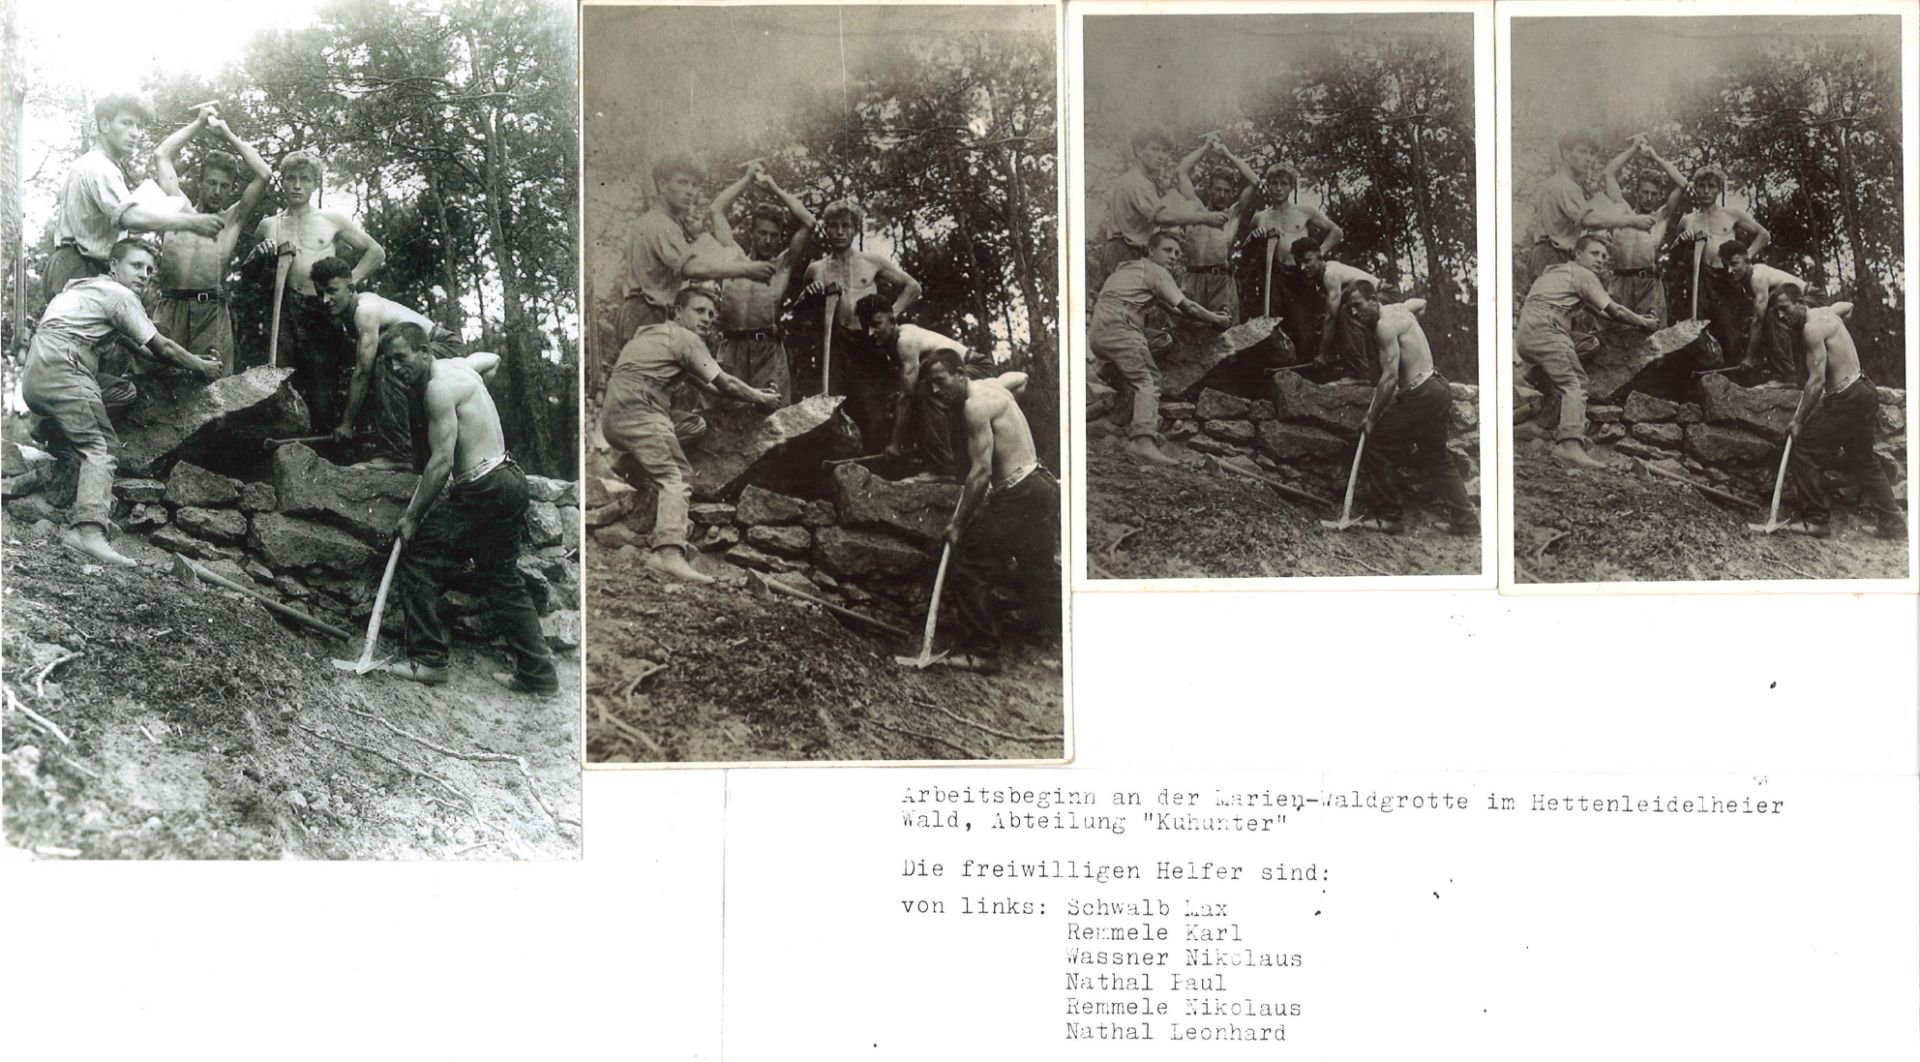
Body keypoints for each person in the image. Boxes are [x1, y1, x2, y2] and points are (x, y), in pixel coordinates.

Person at [16, 239, 221, 567]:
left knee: (123, 392)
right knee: (102, 447)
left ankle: (59, 434)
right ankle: (87, 532)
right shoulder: (120, 296)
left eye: (150, 270)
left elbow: (145, 348)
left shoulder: (85, 288)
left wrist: (192, 360)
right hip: (66, 365)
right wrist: (203, 367)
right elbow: (163, 347)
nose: (145, 275)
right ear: (113, 266)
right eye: (136, 266)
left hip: (39, 374)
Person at [378, 333, 557, 694]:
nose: (397, 369)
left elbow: (441, 462)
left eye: (402, 358)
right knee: (501, 577)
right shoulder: (459, 368)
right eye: (390, 363)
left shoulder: (436, 390)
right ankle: (539, 676)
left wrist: (412, 518)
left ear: (425, 351)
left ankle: (428, 660)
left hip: (482, 488)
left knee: (418, 554)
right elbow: (491, 358)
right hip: (509, 479)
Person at [600, 287, 783, 584]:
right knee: (677, 476)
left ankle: (627, 462)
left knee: (694, 425)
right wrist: (760, 400)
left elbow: (708, 385)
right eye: (699, 311)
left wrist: (753, 395)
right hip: (641, 412)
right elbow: (726, 385)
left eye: (712, 314)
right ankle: (668, 554)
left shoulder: (652, 334)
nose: (707, 319)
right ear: (678, 311)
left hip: (615, 420)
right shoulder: (688, 339)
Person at [926, 351, 1059, 654]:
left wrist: (957, 524)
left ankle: (982, 649)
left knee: (970, 559)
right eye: (930, 385)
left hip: (1019, 492)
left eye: (940, 381)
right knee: (1037, 565)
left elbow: (981, 472)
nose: (935, 390)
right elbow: (1020, 378)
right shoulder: (994, 387)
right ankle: (1049, 633)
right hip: (1042, 484)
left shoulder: (973, 407)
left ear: (960, 374)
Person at [45, 95, 224, 302]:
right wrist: (192, 222)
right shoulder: (98, 167)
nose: (135, 133)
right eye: (127, 123)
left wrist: (199, 122)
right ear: (104, 125)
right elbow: (129, 217)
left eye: (138, 126)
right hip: (79, 270)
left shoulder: (101, 165)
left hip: (83, 268)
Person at [255, 151, 386, 425]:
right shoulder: (269, 225)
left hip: (323, 311)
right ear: (282, 182)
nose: (297, 185)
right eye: (291, 179)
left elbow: (375, 252)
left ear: (315, 183)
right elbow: (251, 273)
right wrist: (260, 254)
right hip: (285, 310)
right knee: (278, 380)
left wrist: (348, 284)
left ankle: (327, 456)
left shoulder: (331, 220)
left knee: (322, 388)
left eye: (305, 179)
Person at [1336, 285, 1477, 536]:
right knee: (1437, 458)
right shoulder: (1399, 309)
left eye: (1359, 305)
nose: (1355, 314)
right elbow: (1420, 302)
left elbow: (1389, 378)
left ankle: (1390, 518)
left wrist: (1370, 417)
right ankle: (1466, 521)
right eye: (1350, 310)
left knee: (1377, 444)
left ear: (1374, 300)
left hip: (1420, 394)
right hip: (1437, 386)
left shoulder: (1383, 326)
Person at [1768, 289, 1904, 541]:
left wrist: (1798, 421)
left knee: (1803, 446)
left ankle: (1817, 521)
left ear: (1800, 303)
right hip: (1864, 389)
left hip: (1847, 398)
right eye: (1776, 311)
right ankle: (1894, 525)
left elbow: (1816, 381)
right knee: (1863, 460)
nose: (1780, 315)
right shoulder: (1826, 313)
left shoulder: (1810, 329)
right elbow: (1847, 305)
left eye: (1785, 308)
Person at [1087, 231, 1232, 466]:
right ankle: (1142, 442)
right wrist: (1217, 320)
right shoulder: (1156, 272)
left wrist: (1209, 317)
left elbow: (1172, 308)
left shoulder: (1130, 269)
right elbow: (1189, 309)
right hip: (1121, 327)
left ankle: (1111, 370)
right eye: (1167, 250)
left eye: (1177, 252)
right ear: (1150, 251)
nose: (1173, 256)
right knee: (1149, 380)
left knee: (1162, 340)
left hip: (1099, 334)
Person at [1514, 234, 1658, 470]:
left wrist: (1633, 321)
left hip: (1525, 338)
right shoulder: (1584, 275)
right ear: (1577, 254)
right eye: (1594, 254)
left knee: (1589, 344)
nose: (1601, 260)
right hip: (1548, 331)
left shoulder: (1556, 272)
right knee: (1576, 383)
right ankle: (1569, 445)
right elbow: (1616, 311)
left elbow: (1600, 311)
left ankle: (1537, 372)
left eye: (1604, 256)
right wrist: (1643, 322)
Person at [311, 256, 465, 469]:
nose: (325, 300)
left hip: (441, 345)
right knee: (382, 367)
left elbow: (363, 372)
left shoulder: (364, 311)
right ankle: (407, 450)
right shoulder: (347, 316)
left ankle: (398, 455)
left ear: (350, 287)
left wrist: (347, 423)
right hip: (420, 352)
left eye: (331, 291)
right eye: (320, 294)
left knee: (386, 366)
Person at [151, 108, 273, 375]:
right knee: (161, 381)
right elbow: (162, 155)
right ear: (200, 181)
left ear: (232, 188)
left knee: (214, 388)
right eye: (211, 183)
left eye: (225, 186)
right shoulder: (177, 209)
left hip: (211, 312)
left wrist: (226, 132)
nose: (217, 191)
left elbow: (264, 174)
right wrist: (198, 123)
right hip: (170, 307)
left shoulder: (232, 220)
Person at [800, 199, 921, 443]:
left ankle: (876, 469)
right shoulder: (816, 269)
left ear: (856, 228)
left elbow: (913, 287)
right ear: (826, 228)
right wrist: (810, 295)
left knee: (871, 406)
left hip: (868, 343)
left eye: (846, 225)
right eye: (833, 226)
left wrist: (891, 315)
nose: (840, 232)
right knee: (831, 405)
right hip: (835, 344)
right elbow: (802, 312)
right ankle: (837, 465)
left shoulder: (871, 262)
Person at [703, 163, 815, 403]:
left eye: (774, 235)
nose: (767, 240)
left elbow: (809, 223)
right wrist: (747, 178)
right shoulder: (732, 257)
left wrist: (772, 186)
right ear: (751, 233)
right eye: (762, 233)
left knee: (774, 418)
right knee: (727, 412)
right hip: (731, 348)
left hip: (768, 351)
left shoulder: (781, 266)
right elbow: (716, 210)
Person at [857, 295, 987, 476]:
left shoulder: (905, 341)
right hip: (958, 374)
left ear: (892, 320)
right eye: (866, 327)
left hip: (976, 368)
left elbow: (907, 396)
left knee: (923, 393)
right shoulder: (890, 344)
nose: (870, 332)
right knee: (914, 394)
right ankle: (932, 459)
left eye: (876, 324)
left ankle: (944, 469)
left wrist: (895, 443)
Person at [1096, 130, 1230, 290]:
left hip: (1126, 251)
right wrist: (1205, 218)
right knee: (1126, 308)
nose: (1161, 156)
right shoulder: (1137, 181)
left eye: (1164, 151)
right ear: (1139, 151)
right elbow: (1161, 216)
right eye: (1155, 149)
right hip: (1126, 253)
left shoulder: (1140, 181)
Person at [1524, 132, 1655, 291]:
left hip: (1548, 255)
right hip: (1553, 256)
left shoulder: (1559, 183)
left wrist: (1633, 148)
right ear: (1566, 154)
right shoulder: (1566, 185)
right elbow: (1589, 220)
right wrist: (1633, 221)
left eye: (1591, 153)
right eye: (1582, 151)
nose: (1589, 159)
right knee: (1553, 309)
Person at [1250, 162, 1342, 361]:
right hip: (1273, 277)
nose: (1278, 188)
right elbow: (1249, 250)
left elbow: (1336, 232)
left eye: (1284, 183)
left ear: (1292, 186)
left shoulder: (1304, 211)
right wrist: (1256, 238)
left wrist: (1318, 255)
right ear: (1268, 185)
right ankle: (1275, 377)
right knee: (1271, 326)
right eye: (1273, 183)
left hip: (1300, 277)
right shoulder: (1260, 217)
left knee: (1303, 329)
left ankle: (1306, 380)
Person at [1679, 164, 1769, 360]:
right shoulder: (1687, 220)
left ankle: (1735, 381)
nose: (1706, 191)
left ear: (1719, 189)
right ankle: (1704, 379)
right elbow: (1678, 254)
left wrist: (1746, 257)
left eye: (1711, 186)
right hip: (1700, 279)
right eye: (1701, 186)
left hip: (1726, 279)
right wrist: (1684, 243)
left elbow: (1763, 235)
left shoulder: (1731, 214)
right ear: (1695, 188)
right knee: (1698, 329)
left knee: (1730, 331)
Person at [1598, 137, 1686, 334]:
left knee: (1653, 337)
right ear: (1636, 192)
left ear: (1659, 196)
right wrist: (1633, 148)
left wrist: (1654, 155)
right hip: (1620, 281)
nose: (1649, 198)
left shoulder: (1660, 218)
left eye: (1654, 194)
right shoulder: (1622, 212)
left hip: (1649, 284)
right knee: (1615, 332)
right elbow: (1609, 173)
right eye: (1645, 192)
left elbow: (1682, 183)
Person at [1171, 135, 1259, 329]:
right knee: (1188, 330)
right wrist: (1206, 147)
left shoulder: (1233, 215)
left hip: (1221, 281)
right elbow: (1182, 171)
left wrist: (1226, 152)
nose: (1221, 195)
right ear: (1209, 189)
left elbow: (1254, 181)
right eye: (1217, 189)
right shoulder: (1194, 209)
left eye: (1227, 191)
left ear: (1232, 192)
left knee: (1225, 334)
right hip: (1193, 279)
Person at [1291, 239, 1380, 373]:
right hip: (1371, 300)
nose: (1302, 268)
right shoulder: (1322, 275)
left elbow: (1331, 317)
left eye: (1307, 261)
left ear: (1320, 257)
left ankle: (1360, 373)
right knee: (1342, 313)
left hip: (1382, 296)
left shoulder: (1330, 274)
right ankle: (1355, 367)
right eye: (1299, 263)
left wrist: (1322, 354)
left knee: (1345, 313)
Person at [1719, 245, 1806, 378]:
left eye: (1734, 264)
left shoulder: (1757, 277)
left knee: (1771, 316)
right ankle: (1781, 369)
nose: (1730, 270)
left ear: (1747, 262)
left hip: (1808, 299)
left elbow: (1758, 321)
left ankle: (1786, 376)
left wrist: (1749, 358)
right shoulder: (1747, 280)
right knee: (1765, 318)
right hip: (1797, 304)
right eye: (1726, 266)